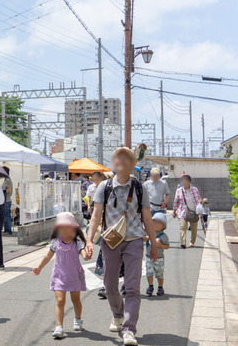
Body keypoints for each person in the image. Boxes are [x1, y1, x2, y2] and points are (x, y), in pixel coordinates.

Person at [87, 147, 158, 346]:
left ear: (133, 163)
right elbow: (95, 215)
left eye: (126, 157)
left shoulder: (139, 188)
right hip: (111, 242)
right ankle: (117, 314)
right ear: (113, 162)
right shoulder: (104, 186)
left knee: (133, 288)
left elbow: (147, 217)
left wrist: (153, 244)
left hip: (134, 240)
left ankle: (129, 329)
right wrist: (89, 240)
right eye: (118, 156)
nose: (121, 160)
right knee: (109, 286)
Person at [32, 212, 91, 339]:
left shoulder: (78, 242)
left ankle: (78, 319)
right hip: (59, 276)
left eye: (67, 227)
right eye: (61, 227)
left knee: (75, 300)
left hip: (74, 275)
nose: (64, 230)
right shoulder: (55, 242)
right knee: (60, 301)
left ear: (74, 228)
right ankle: (59, 327)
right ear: (57, 229)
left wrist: (88, 255)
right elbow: (48, 256)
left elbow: (84, 255)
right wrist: (39, 267)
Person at [143, 212, 169, 296]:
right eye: (154, 222)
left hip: (159, 257)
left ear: (163, 226)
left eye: (159, 222)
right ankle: (150, 286)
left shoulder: (164, 236)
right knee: (149, 272)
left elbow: (167, 246)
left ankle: (160, 287)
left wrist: (161, 245)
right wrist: (147, 237)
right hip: (148, 256)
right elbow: (143, 238)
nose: (156, 224)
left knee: (159, 273)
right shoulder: (148, 232)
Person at [173, 174, 202, 248]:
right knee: (182, 227)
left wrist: (200, 202)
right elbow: (176, 201)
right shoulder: (179, 191)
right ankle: (183, 242)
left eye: (186, 181)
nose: (184, 183)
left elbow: (199, 199)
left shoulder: (195, 189)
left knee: (194, 228)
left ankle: (192, 242)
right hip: (182, 212)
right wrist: (174, 211)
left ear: (189, 182)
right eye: (183, 181)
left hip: (193, 211)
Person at [2, 166, 13, 236]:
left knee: (7, 216)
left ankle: (8, 230)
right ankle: (7, 229)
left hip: (7, 200)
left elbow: (8, 190)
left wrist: (2, 191)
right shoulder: (6, 179)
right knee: (6, 215)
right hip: (6, 200)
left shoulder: (7, 180)